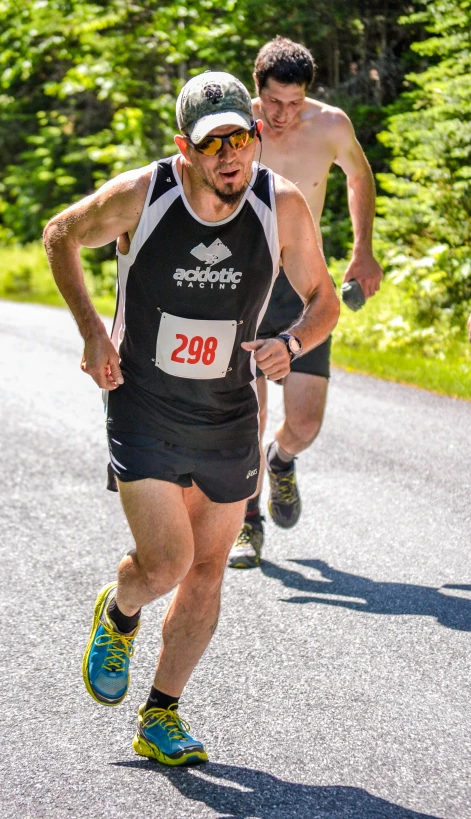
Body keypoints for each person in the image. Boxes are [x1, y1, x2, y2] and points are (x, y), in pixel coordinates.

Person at [43, 70, 339, 766]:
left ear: (256, 136)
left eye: (242, 137)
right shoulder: (143, 195)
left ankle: (161, 715)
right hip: (142, 400)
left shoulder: (281, 205)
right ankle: (121, 607)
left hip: (229, 411)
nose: (231, 154)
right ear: (186, 148)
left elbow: (323, 300)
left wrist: (291, 342)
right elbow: (61, 233)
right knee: (167, 563)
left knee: (208, 569)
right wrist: (92, 330)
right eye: (214, 144)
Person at [228, 37, 383, 569]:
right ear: (257, 88)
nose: (282, 115)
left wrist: (362, 252)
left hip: (302, 288)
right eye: (273, 102)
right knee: (246, 410)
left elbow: (360, 176)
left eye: (294, 104)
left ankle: (281, 460)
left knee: (306, 423)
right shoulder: (232, 125)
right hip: (240, 285)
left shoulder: (330, 125)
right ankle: (248, 524)